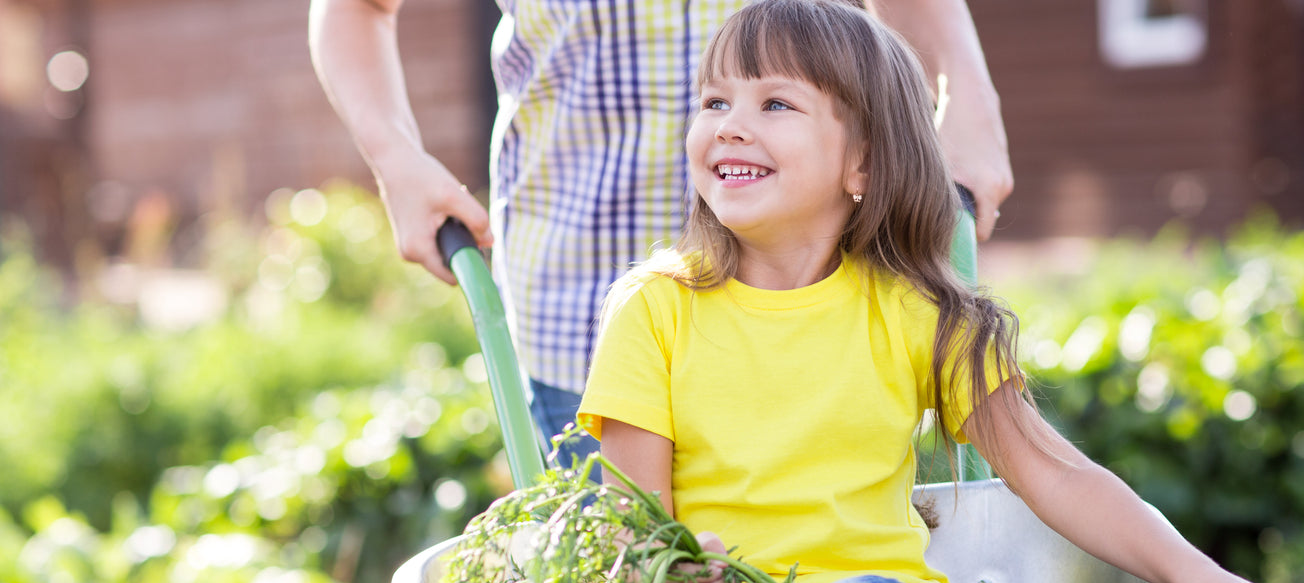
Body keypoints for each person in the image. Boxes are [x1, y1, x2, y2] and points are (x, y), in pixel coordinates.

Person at [576, 0, 1295, 583]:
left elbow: (1057, 474)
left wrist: (1196, 573)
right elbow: (633, 540)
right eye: (714, 101)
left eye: (775, 103)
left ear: (862, 162)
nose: (728, 123)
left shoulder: (912, 312)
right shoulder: (655, 309)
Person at [308, 0, 1014, 469]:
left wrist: (971, 93)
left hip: (817, 318)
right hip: (579, 305)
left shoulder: (906, 324)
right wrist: (395, 158)